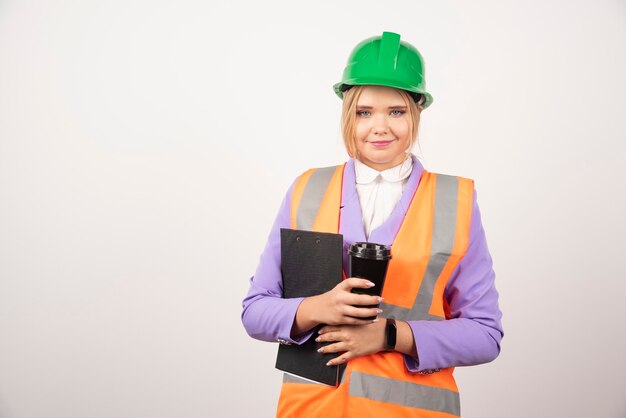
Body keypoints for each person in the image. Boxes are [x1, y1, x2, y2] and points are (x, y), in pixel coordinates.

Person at [241, 31, 503, 418]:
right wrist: (317, 307)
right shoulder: (307, 189)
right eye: (364, 112)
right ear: (348, 113)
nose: (379, 126)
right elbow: (255, 312)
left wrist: (390, 335)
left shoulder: (455, 200)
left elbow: (486, 334)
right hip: (313, 410)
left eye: (395, 111)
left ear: (416, 111)